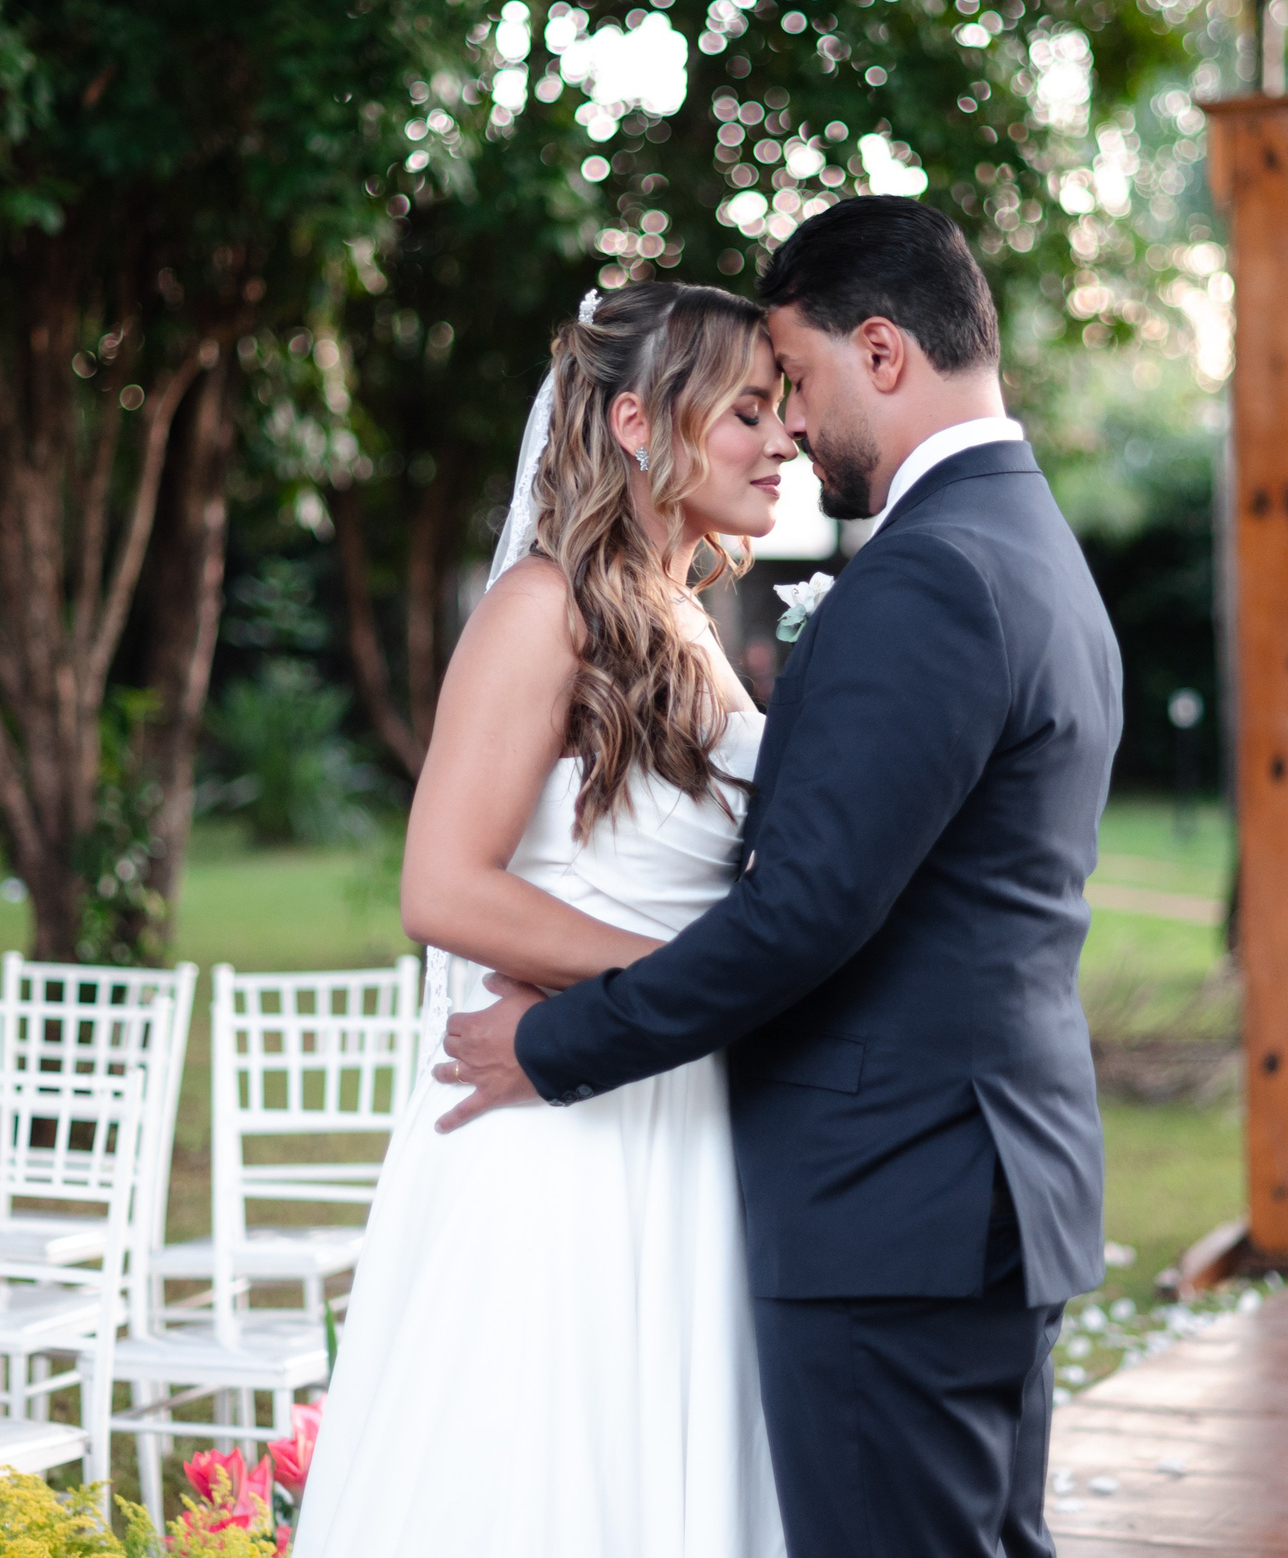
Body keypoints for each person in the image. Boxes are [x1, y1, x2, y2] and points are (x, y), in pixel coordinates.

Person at [438, 197, 1123, 1558]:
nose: (792, 427)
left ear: (882, 351)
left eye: (793, 383)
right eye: (753, 404)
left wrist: (559, 1039)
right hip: (952, 1183)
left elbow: (803, 915)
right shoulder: (1026, 544)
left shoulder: (931, 572)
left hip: (896, 1199)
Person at [291, 281, 796, 1558]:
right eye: (747, 411)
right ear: (637, 421)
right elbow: (443, 886)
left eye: (782, 410)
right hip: (560, 1134)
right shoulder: (542, 605)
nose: (782, 439)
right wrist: (694, 980)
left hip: (672, 1112)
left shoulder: (681, 617)